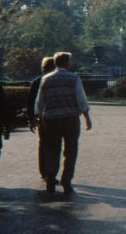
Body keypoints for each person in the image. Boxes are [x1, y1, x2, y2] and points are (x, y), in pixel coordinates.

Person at [34, 51, 93, 195]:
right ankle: (66, 181)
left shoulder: (46, 79)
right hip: (70, 119)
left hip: (52, 120)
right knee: (71, 151)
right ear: (67, 63)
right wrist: (87, 117)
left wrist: (41, 118)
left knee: (52, 151)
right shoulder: (73, 79)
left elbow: (40, 101)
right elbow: (81, 100)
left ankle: (51, 179)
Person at [27, 55, 56, 181]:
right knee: (54, 145)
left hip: (42, 117)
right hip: (54, 117)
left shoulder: (36, 81)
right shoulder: (55, 80)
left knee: (43, 144)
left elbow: (31, 102)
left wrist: (31, 118)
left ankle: (44, 171)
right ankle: (50, 171)